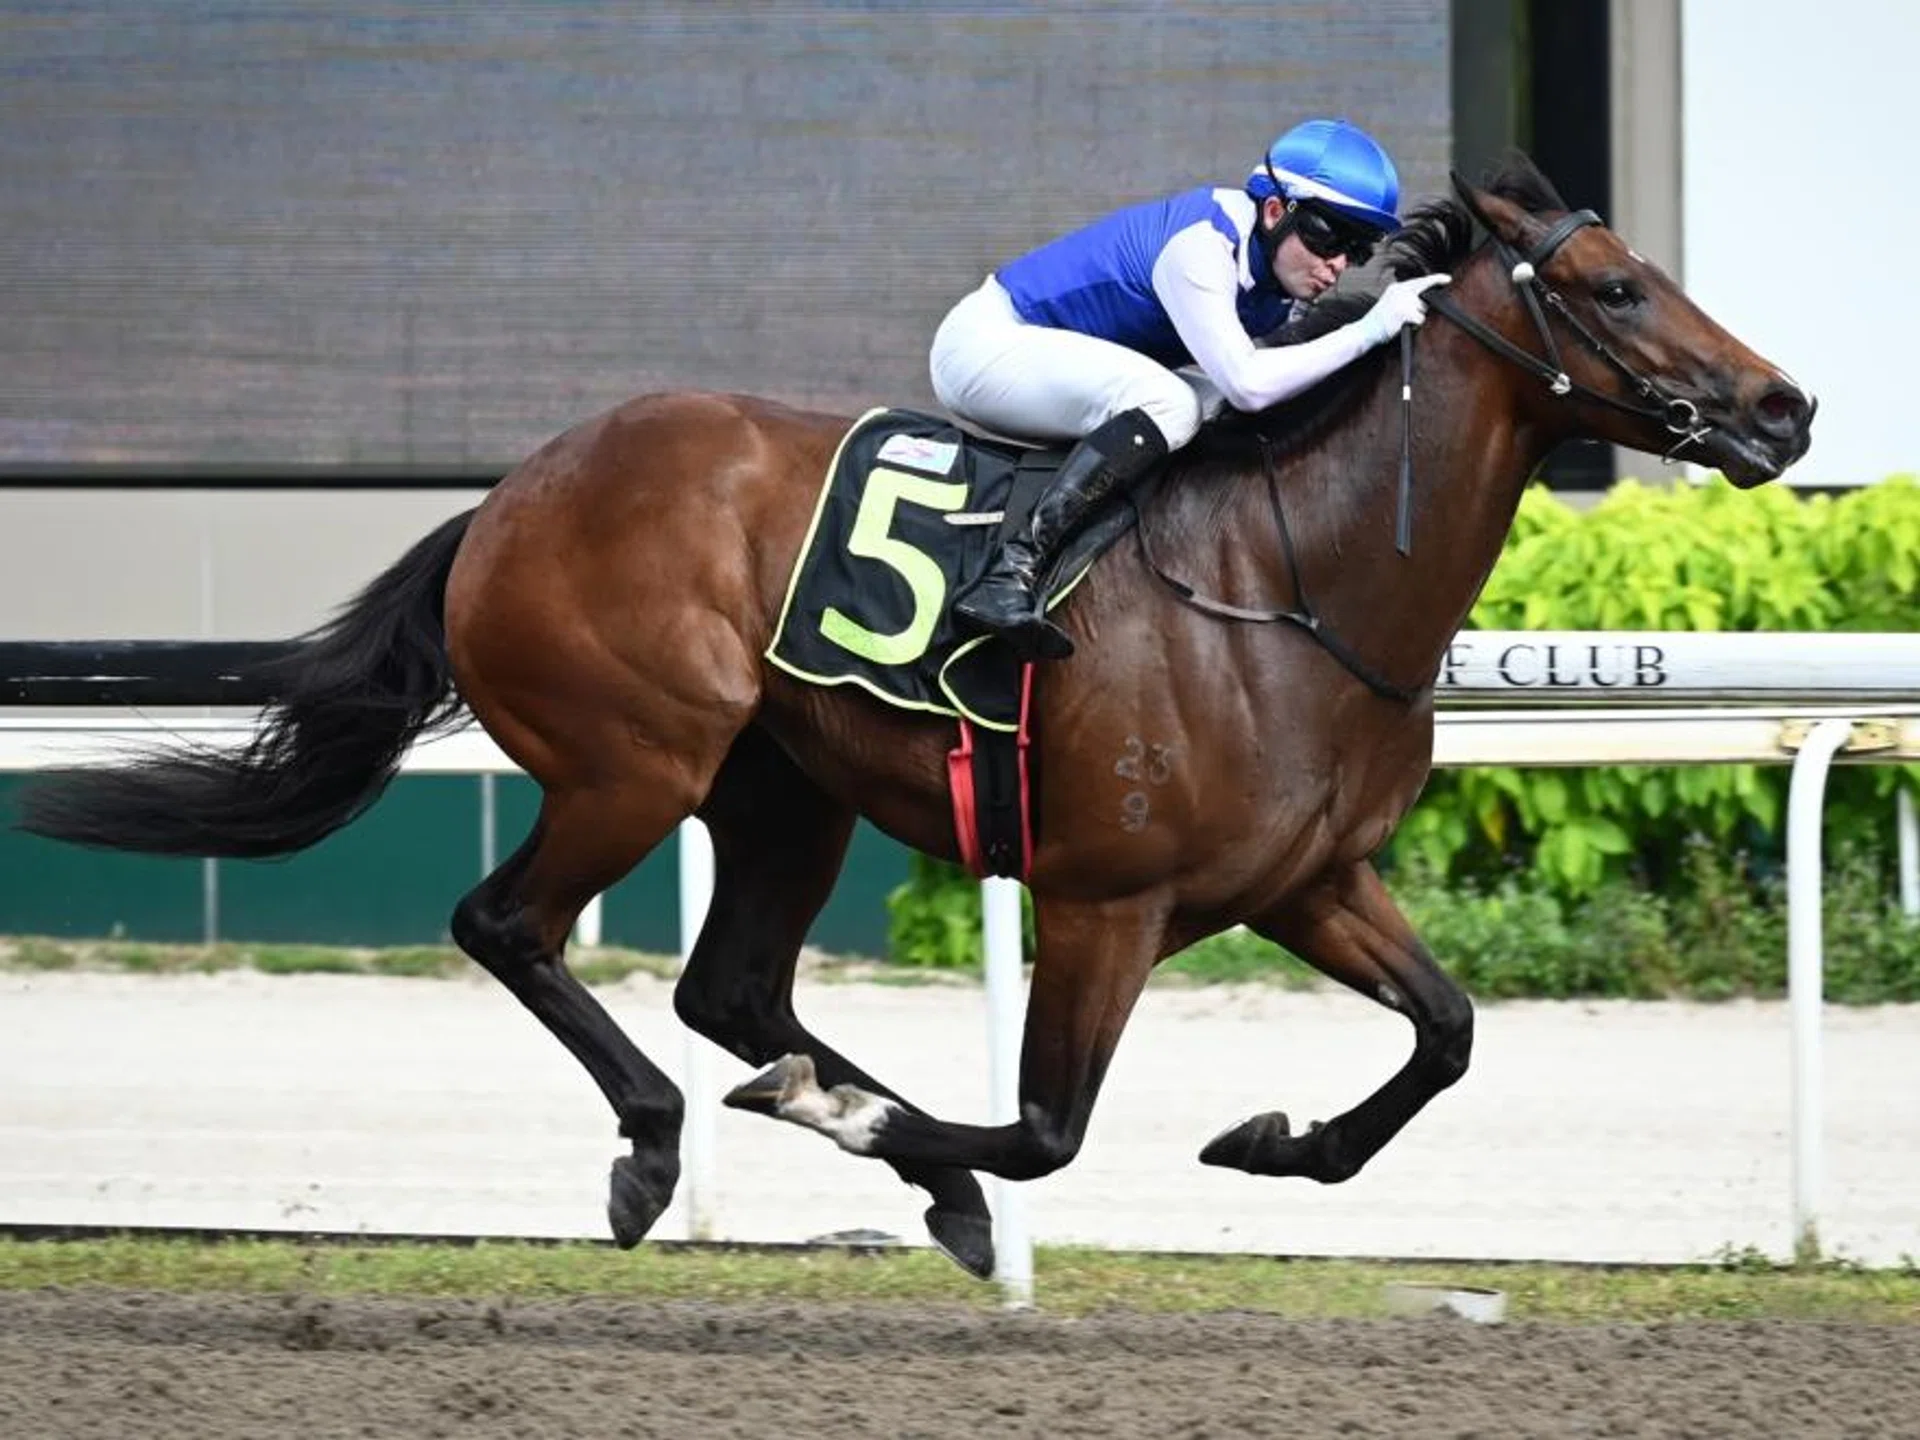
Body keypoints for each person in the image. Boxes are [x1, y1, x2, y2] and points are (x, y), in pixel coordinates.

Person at [929, 117, 1450, 661]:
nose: (1338, 264)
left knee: (1210, 404)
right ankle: (1012, 569)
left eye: (1358, 249)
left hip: (1042, 354)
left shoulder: (1274, 281)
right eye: (1328, 236)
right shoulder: (1202, 249)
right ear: (1275, 211)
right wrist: (1369, 330)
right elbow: (1251, 384)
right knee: (1173, 403)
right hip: (984, 348)